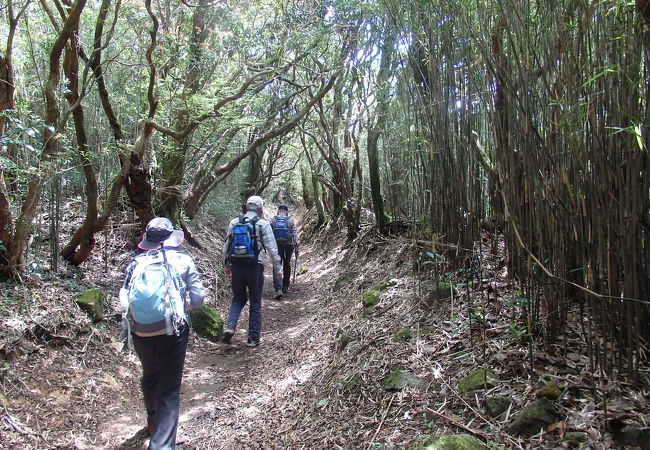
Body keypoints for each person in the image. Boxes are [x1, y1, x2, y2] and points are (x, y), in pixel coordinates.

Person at [121, 217, 205, 450]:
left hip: (140, 331)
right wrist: (185, 306)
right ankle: (162, 445)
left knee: (150, 374)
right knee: (169, 387)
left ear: (147, 240)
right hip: (173, 330)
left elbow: (126, 297)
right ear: (170, 239)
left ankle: (152, 421)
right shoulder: (183, 260)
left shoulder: (135, 263)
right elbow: (198, 298)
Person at [222, 195, 282, 347]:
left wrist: (227, 266)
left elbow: (226, 246)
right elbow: (272, 248)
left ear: (246, 207)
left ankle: (230, 327)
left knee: (238, 298)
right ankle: (253, 338)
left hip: (236, 265)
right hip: (255, 265)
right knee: (255, 300)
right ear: (261, 209)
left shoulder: (235, 222)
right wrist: (278, 268)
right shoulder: (263, 223)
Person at [269, 205, 300, 299]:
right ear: (287, 212)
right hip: (288, 245)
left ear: (278, 211)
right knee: (287, 264)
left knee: (277, 265)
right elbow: (294, 234)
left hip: (276, 245)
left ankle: (278, 288)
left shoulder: (272, 220)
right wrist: (297, 249)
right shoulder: (290, 220)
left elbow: (268, 233)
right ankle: (285, 286)